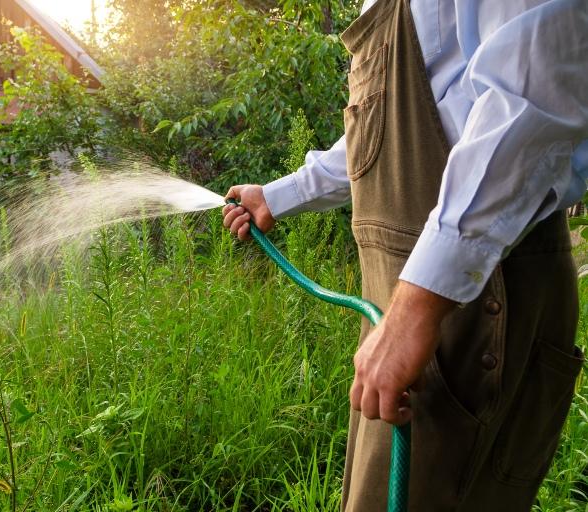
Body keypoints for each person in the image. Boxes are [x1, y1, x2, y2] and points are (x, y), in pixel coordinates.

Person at [223, 0, 587, 510]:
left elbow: (530, 105)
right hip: (419, 308)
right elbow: (384, 133)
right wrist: (279, 195)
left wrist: (416, 307)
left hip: (475, 304)